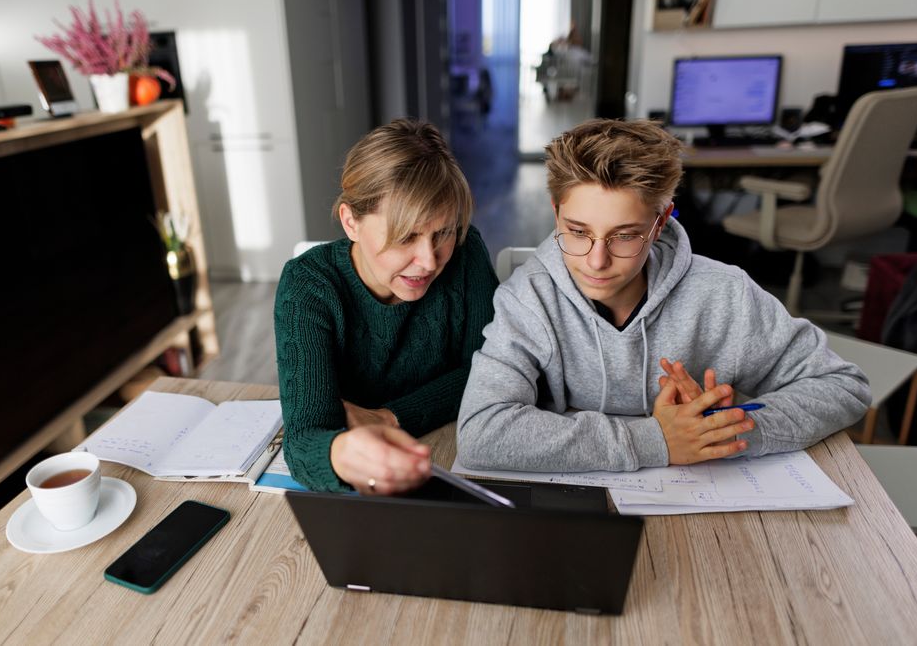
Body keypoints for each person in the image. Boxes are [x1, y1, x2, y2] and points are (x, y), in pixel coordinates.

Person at [456, 119, 870, 472]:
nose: (596, 260)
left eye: (625, 236)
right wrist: (658, 441)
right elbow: (482, 432)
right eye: (578, 231)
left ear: (659, 224)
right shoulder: (527, 299)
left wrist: (713, 432)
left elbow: (844, 387)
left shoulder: (725, 294)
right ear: (555, 211)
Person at [275, 118, 498, 493]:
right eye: (406, 236)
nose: (429, 260)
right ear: (351, 223)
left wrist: (390, 417)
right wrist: (341, 452)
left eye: (442, 232)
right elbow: (303, 443)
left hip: (452, 450)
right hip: (373, 479)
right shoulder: (309, 285)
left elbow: (495, 373)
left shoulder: (465, 251)